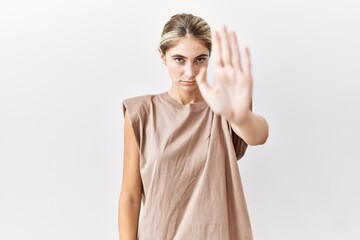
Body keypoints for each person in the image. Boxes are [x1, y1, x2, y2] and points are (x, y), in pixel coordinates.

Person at [118, 13, 268, 240]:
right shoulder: (141, 113)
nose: (190, 72)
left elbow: (258, 135)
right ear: (162, 56)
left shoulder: (224, 106)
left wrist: (240, 117)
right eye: (179, 59)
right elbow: (130, 195)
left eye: (200, 59)